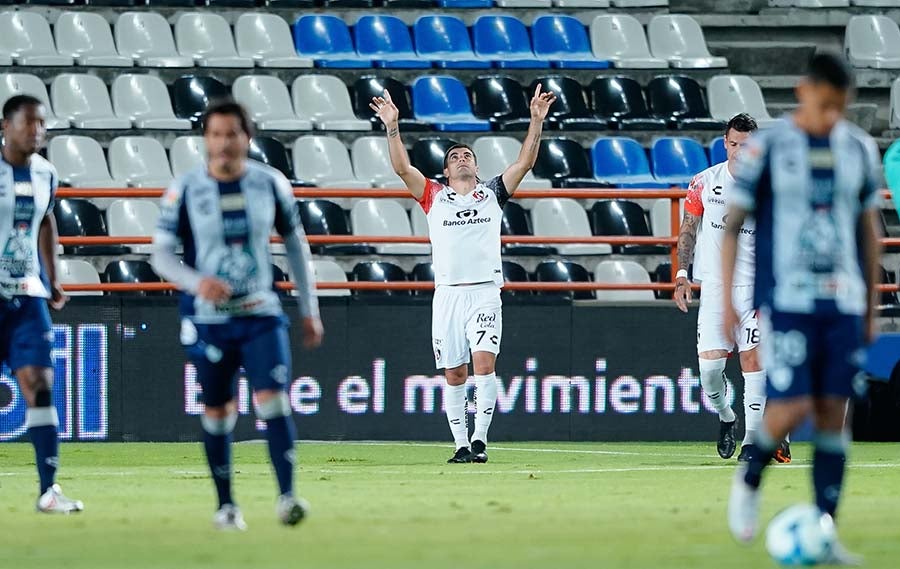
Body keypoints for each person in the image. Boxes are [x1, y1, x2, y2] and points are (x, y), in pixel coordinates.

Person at [723, 53, 881, 564]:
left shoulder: (857, 148)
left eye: (841, 106)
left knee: (835, 415)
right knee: (790, 406)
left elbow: (868, 230)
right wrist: (728, 296)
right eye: (826, 103)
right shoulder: (768, 147)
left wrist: (872, 305)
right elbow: (733, 226)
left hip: (844, 300)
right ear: (802, 91)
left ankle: (826, 528)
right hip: (788, 299)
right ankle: (749, 479)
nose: (832, 114)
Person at [151, 100, 323, 531]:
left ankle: (287, 498)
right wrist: (196, 282)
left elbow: (296, 247)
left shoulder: (271, 184)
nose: (224, 143)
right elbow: (160, 256)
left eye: (232, 134)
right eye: (215, 135)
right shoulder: (186, 188)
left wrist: (309, 309)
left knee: (273, 399)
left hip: (260, 314)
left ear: (247, 137)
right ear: (205, 140)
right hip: (208, 319)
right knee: (218, 412)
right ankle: (226, 505)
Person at [369, 85, 555, 463]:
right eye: (455, 157)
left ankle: (481, 440)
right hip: (448, 294)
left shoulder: (492, 194)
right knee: (455, 374)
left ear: (476, 166)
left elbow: (524, 164)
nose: (462, 159)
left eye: (468, 155)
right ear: (446, 169)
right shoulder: (434, 196)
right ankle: (459, 444)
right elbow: (403, 168)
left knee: (484, 364)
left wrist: (535, 122)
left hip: (485, 291)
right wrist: (392, 126)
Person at [675, 113, 790, 463]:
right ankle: (727, 416)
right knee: (710, 373)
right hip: (714, 286)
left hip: (755, 288)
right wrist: (681, 273)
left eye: (747, 144)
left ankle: (753, 442)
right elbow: (687, 230)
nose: (740, 151)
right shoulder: (703, 182)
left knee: (753, 360)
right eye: (734, 144)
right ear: (725, 143)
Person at [0, 95, 82, 514]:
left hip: (28, 296)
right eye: (28, 123)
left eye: (41, 124)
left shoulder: (46, 172)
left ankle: (48, 490)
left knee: (40, 385)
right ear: (5, 126)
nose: (37, 131)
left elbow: (46, 219)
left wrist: (53, 279)